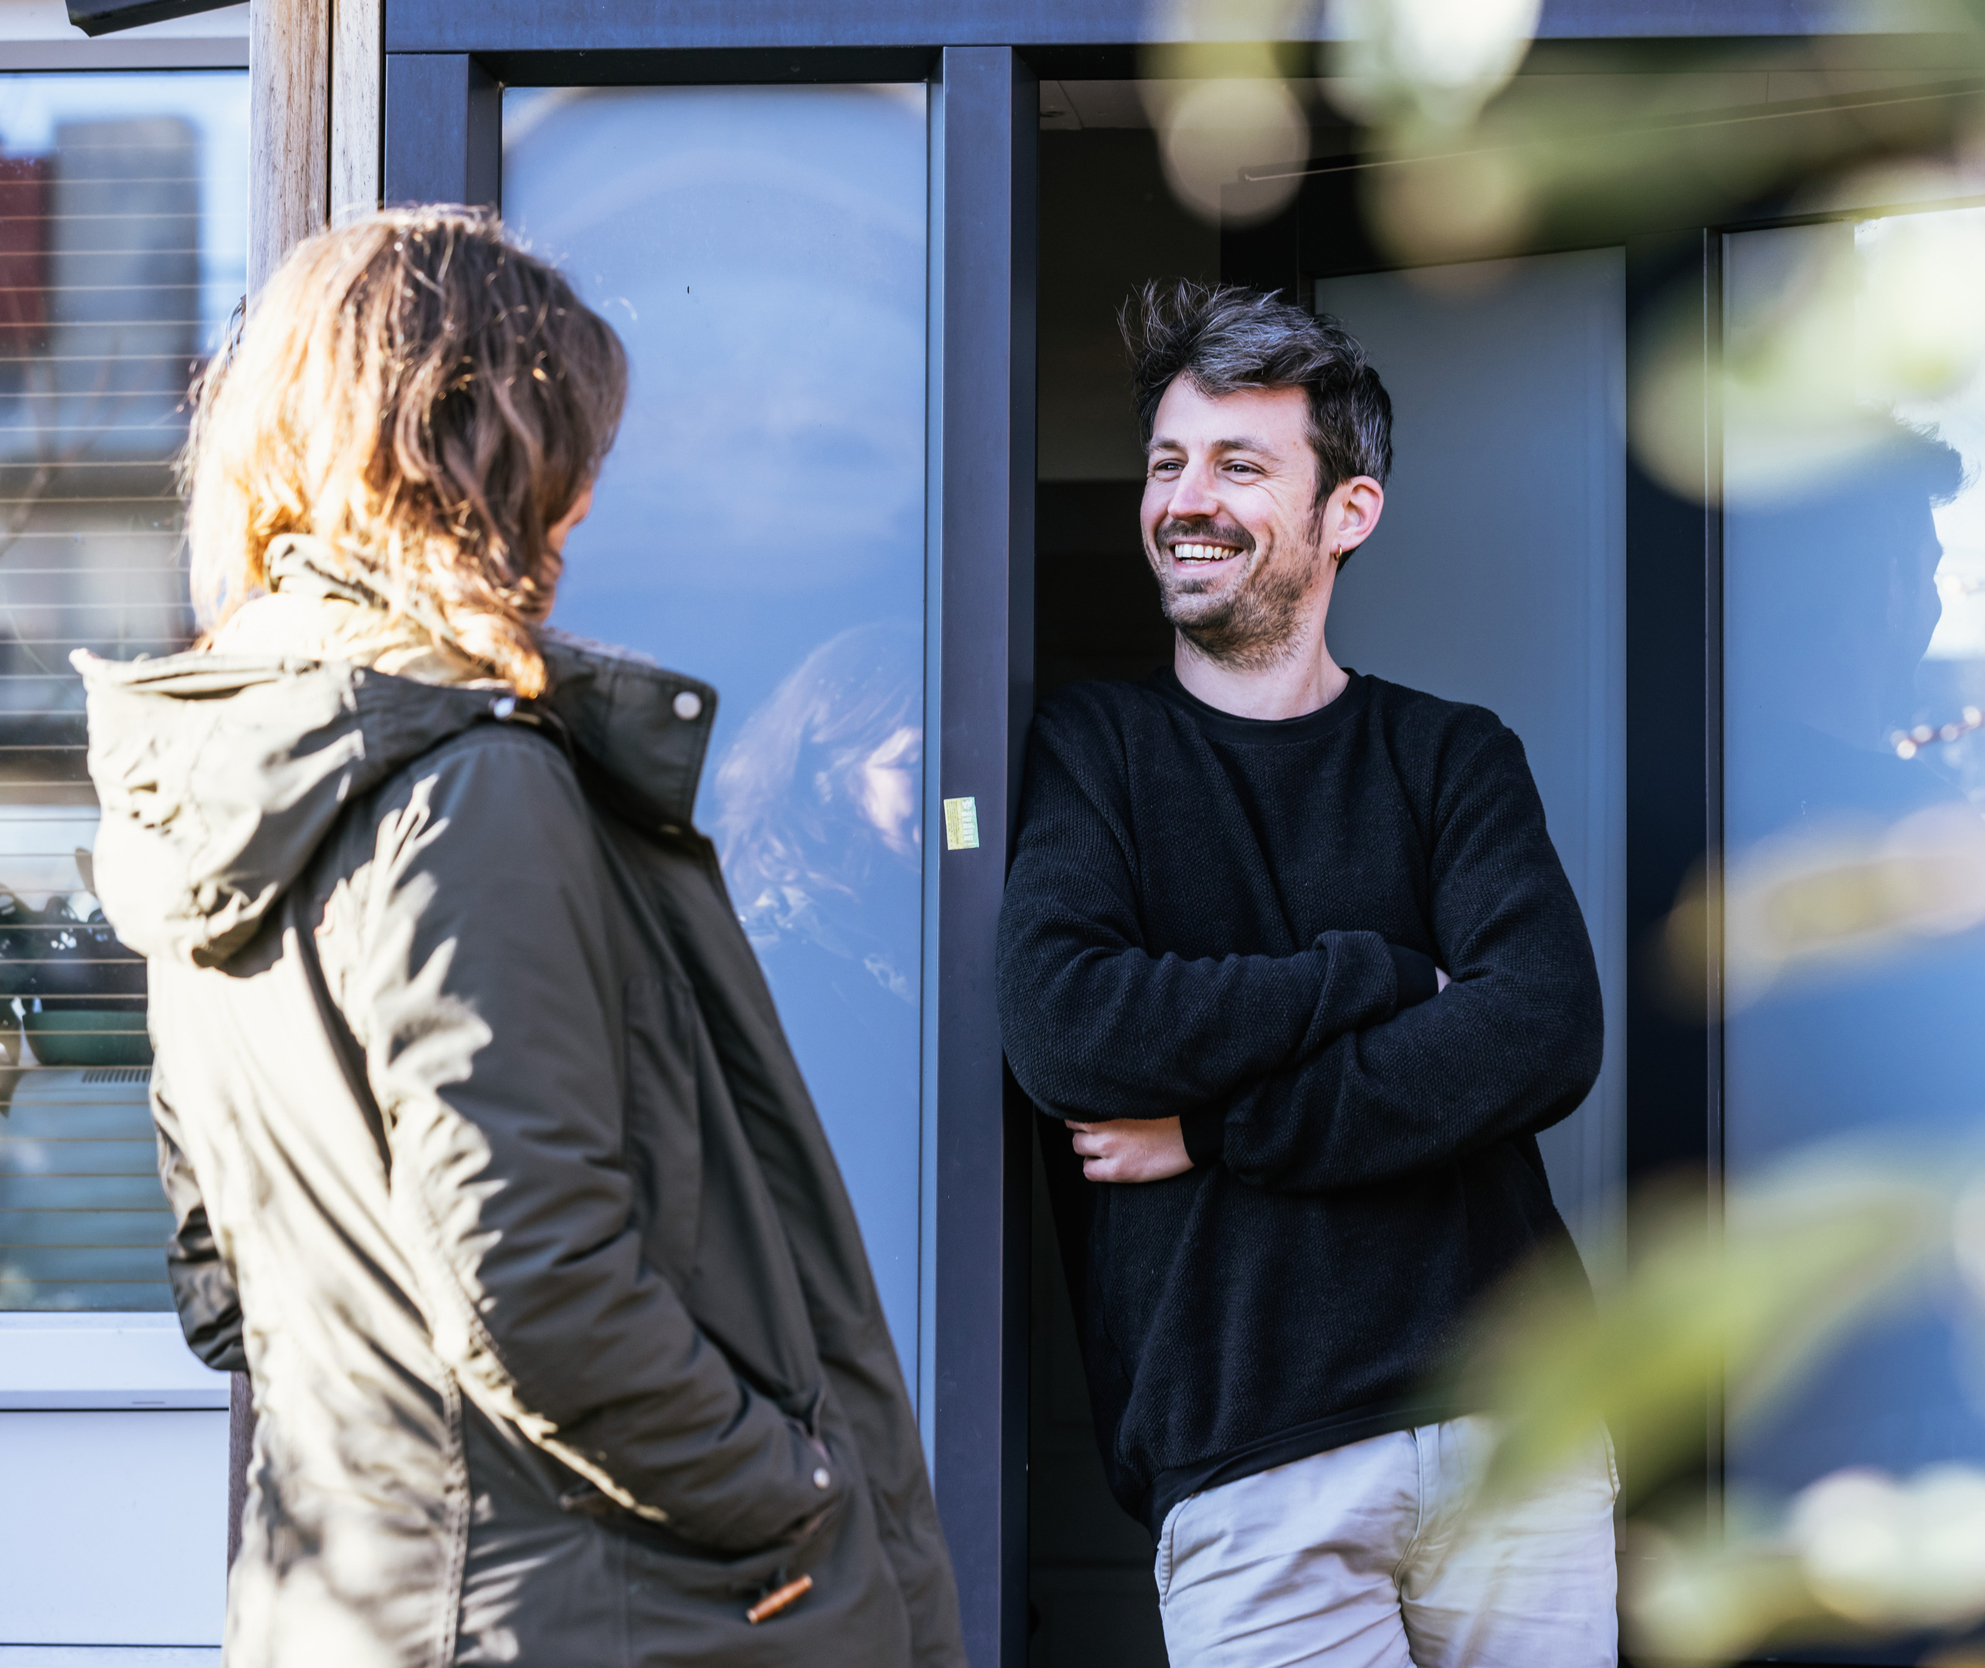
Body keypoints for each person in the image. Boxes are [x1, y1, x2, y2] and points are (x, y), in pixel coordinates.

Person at [75, 208, 962, 1668]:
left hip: (359, 1611)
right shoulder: (469, 783)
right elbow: (533, 1282)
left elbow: (220, 1286)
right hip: (599, 1618)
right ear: (481, 453)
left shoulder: (227, 777)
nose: (586, 503)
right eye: (573, 450)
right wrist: (795, 1501)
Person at [997, 281, 1618, 1667]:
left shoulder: (1452, 758)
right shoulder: (1092, 753)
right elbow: (1068, 1030)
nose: (1185, 500)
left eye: (1238, 465)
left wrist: (1216, 1127)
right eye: (1168, 462)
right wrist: (1383, 974)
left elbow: (1540, 1031)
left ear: (1349, 511)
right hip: (1250, 1465)